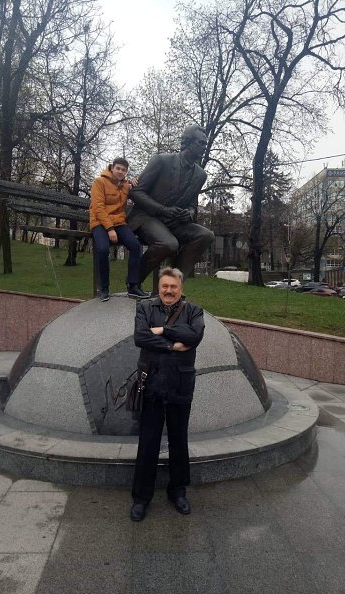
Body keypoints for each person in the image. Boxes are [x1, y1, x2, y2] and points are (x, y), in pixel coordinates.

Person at [130, 266, 205, 522]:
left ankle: (178, 492)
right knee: (148, 442)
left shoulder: (194, 311)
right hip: (151, 384)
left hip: (180, 385)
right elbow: (140, 337)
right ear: (158, 288)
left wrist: (162, 330)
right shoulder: (144, 308)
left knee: (178, 440)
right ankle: (141, 498)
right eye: (165, 286)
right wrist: (173, 346)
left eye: (173, 286)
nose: (169, 291)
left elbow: (194, 335)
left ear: (181, 289)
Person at [128, 125, 215, 283]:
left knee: (205, 235)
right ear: (188, 142)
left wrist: (189, 213)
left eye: (205, 143)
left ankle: (173, 284)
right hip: (146, 217)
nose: (205, 146)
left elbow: (192, 204)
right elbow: (136, 192)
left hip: (173, 222)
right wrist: (162, 210)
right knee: (169, 244)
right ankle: (134, 280)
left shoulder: (200, 175)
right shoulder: (162, 160)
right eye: (201, 143)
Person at [90, 157, 149, 301]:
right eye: (118, 168)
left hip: (119, 223)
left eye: (124, 170)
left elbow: (135, 188)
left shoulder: (125, 186)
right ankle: (104, 288)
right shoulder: (99, 182)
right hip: (100, 222)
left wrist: (134, 182)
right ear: (112, 168)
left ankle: (133, 286)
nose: (120, 171)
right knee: (103, 249)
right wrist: (110, 229)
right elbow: (98, 208)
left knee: (135, 246)